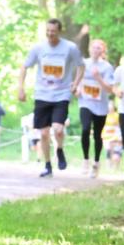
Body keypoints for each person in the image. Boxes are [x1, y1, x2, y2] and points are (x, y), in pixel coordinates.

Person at [17, 19, 84, 178]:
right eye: (48, 31)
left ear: (59, 31)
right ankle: (48, 165)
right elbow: (24, 66)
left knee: (58, 129)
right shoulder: (39, 48)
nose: (50, 34)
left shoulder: (70, 48)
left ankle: (59, 149)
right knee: (44, 134)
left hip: (61, 94)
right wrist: (20, 87)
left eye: (53, 31)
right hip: (42, 94)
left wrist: (76, 83)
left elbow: (81, 65)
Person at [77, 39, 115, 178]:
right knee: (86, 128)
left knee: (98, 135)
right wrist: (77, 88)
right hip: (85, 102)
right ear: (89, 49)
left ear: (102, 51)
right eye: (94, 47)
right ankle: (86, 159)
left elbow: (110, 89)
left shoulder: (107, 67)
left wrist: (98, 78)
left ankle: (96, 163)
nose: (95, 50)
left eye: (99, 48)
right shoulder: (83, 63)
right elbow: (78, 78)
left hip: (100, 105)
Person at [101, 98, 124, 171]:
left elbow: (120, 126)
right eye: (109, 105)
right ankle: (108, 167)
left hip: (116, 137)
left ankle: (116, 168)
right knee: (108, 151)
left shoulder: (117, 116)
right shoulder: (103, 115)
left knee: (116, 153)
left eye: (111, 105)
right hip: (106, 137)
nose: (110, 107)